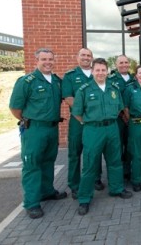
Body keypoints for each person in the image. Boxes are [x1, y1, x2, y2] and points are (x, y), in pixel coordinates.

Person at [9, 48, 67, 219]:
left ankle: (47, 191)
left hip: (52, 128)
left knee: (49, 161)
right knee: (32, 164)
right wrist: (28, 120)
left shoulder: (56, 81)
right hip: (34, 129)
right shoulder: (27, 81)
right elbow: (15, 108)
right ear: (37, 61)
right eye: (44, 59)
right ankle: (32, 203)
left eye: (50, 59)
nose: (48, 62)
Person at [72, 58, 132, 216]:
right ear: (92, 71)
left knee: (115, 161)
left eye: (103, 70)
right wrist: (91, 123)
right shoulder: (84, 90)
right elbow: (77, 114)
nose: (100, 73)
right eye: (97, 70)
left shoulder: (113, 88)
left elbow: (120, 108)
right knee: (90, 164)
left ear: (107, 71)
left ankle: (117, 189)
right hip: (93, 130)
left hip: (112, 128)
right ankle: (84, 198)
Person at [62, 48, 104, 199]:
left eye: (89, 56)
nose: (86, 58)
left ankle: (96, 178)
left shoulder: (98, 74)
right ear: (77, 57)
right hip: (78, 121)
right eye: (83, 55)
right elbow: (68, 97)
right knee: (75, 152)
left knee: (95, 150)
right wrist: (84, 114)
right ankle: (74, 184)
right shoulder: (70, 76)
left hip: (95, 122)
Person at [108, 55, 134, 180]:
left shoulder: (134, 78)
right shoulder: (111, 79)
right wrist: (122, 114)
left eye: (126, 62)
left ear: (129, 64)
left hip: (132, 118)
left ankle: (127, 170)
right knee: (117, 147)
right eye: (121, 63)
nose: (124, 65)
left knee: (129, 145)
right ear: (116, 65)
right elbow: (111, 99)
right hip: (118, 118)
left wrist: (128, 115)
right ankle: (117, 173)